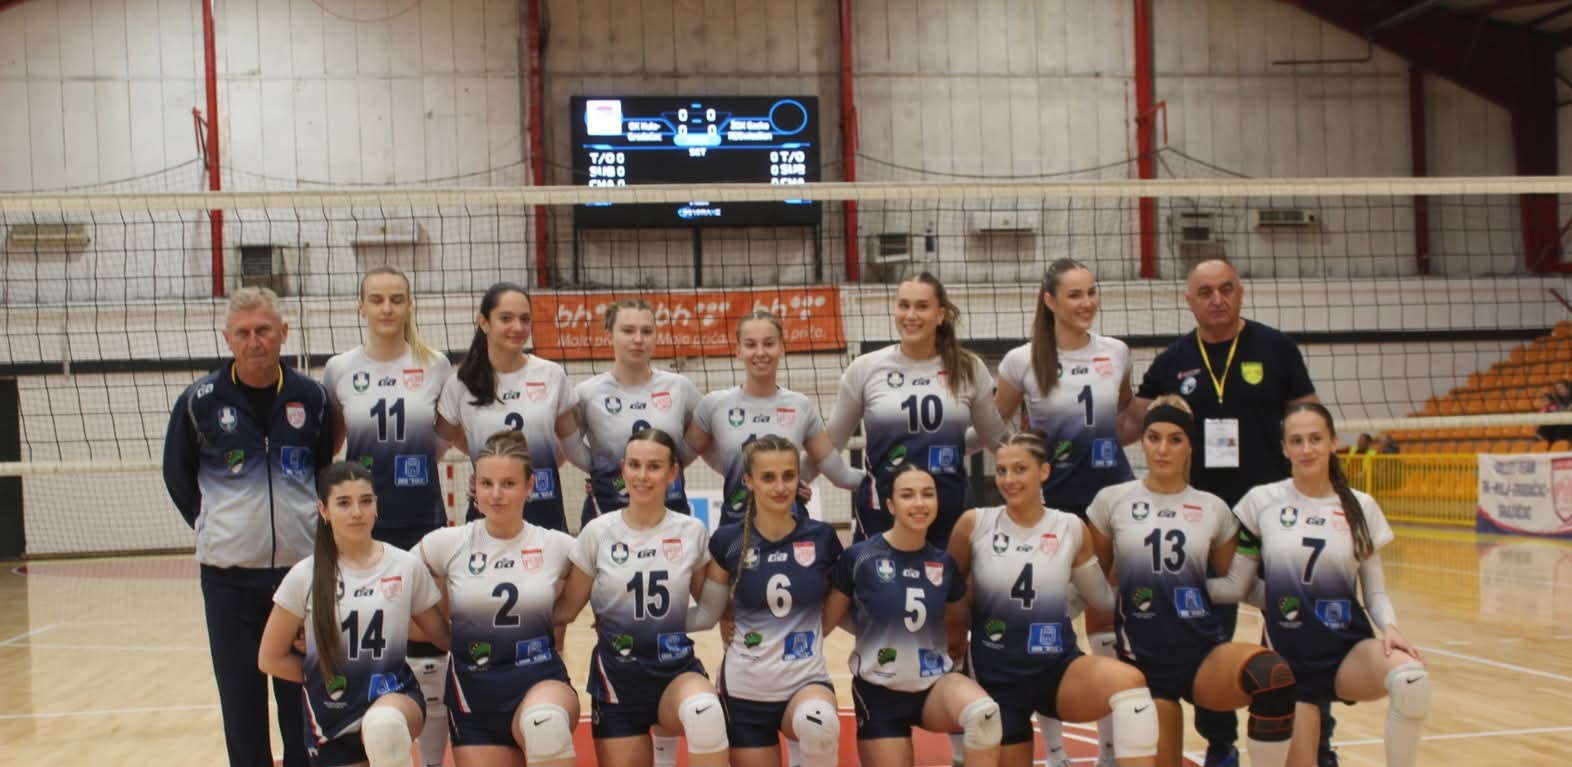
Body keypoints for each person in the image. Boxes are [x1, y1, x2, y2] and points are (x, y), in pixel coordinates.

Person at [1128, 257, 1319, 767]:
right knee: (1209, 633)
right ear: (1189, 300)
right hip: (1205, 521)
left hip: (1275, 514)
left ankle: (1314, 745)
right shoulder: (1172, 361)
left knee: (1298, 628)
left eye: (1226, 289)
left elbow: (1309, 419)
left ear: (1241, 292)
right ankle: (1220, 743)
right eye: (1206, 291)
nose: (1217, 299)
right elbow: (1131, 423)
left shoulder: (1276, 348)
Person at [163, 286, 337, 767]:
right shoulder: (199, 402)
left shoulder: (312, 398)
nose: (254, 341)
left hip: (300, 576)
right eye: (243, 332)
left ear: (284, 332)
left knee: (301, 703)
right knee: (241, 704)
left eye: (264, 330)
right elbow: (178, 476)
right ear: (227, 338)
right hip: (228, 579)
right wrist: (220, 526)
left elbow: (323, 470)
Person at [1213, 403, 1430, 767]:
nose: (1307, 448)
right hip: (1289, 657)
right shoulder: (1261, 501)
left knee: (1411, 678)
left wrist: (1390, 628)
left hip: (1347, 651)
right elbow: (1240, 585)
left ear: (1333, 442)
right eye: (1296, 441)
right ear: (1284, 448)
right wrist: (1280, 598)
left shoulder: (1361, 507)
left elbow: (1375, 591)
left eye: (1315, 439)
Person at [1087, 397, 1296, 767]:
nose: (1162, 449)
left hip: (1203, 653)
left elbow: (1240, 584)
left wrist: (1295, 595)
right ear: (1142, 441)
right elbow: (1093, 581)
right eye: (1154, 437)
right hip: (1144, 664)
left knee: (1272, 677)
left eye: (1175, 439)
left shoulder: (1213, 507)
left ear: (1190, 446)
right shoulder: (1112, 500)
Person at [993, 258, 1137, 766]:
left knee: (1105, 621)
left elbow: (1124, 413)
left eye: (1092, 292)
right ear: (1050, 301)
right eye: (1075, 295)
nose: (1087, 303)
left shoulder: (1116, 352)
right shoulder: (1021, 361)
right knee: (1044, 627)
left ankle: (1109, 754)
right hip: (1050, 505)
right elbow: (994, 424)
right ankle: (1055, 755)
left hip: (1109, 502)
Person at [948, 431, 1158, 767]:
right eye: (1001, 470)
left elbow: (1100, 598)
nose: (1008, 479)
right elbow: (950, 596)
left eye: (1020, 469)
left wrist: (1138, 576)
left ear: (1043, 471)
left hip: (1057, 669)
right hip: (997, 679)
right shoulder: (974, 525)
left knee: (1130, 686)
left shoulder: (1070, 527)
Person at [321, 266, 455, 766]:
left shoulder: (435, 365)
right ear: (360, 305)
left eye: (397, 299)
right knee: (366, 643)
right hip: (362, 523)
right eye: (376, 299)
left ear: (409, 304)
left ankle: (433, 761)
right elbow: (335, 444)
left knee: (429, 647)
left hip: (421, 516)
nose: (387, 308)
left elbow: (443, 432)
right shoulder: (339, 369)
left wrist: (412, 465)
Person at [553, 429, 728, 767]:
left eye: (654, 466)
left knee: (706, 714)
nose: (642, 476)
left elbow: (708, 611)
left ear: (673, 473)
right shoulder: (597, 533)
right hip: (617, 678)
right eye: (634, 465)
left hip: (675, 670)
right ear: (623, 468)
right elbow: (566, 611)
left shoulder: (691, 531)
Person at [258, 461, 449, 767]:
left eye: (365, 501)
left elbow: (442, 636)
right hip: (333, 715)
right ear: (323, 510)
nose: (357, 512)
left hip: (393, 697)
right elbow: (270, 658)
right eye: (344, 503)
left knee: (385, 728)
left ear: (376, 506)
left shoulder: (404, 565)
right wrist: (324, 673)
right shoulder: (304, 576)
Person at [821, 463, 1004, 767]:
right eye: (908, 495)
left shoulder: (944, 564)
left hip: (934, 686)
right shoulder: (860, 558)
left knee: (984, 714)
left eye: (927, 494)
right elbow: (826, 622)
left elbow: (957, 629)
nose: (919, 503)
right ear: (891, 505)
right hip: (879, 692)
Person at [418, 430, 580, 767]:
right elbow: (389, 577)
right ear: (474, 486)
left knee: (545, 725)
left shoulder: (557, 545)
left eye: (508, 484)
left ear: (530, 486)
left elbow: (602, 586)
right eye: (486, 483)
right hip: (473, 699)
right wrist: (442, 635)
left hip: (539, 682)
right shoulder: (446, 543)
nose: (495, 494)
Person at [827, 272, 1011, 547]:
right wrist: (855, 480)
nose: (911, 315)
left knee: (953, 576)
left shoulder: (968, 368)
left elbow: (996, 439)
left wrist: (1031, 478)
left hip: (950, 510)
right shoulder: (865, 368)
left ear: (940, 314)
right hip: (883, 512)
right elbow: (829, 445)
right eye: (904, 305)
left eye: (922, 306)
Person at [695, 435, 845, 767]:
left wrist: (816, 630)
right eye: (768, 477)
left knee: (818, 723)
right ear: (749, 481)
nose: (780, 487)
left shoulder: (821, 537)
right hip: (746, 689)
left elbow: (840, 593)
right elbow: (713, 610)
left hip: (806, 680)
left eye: (788, 476)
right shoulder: (728, 541)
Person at [687, 310, 864, 525]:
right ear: (738, 350)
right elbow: (678, 460)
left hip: (790, 527)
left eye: (769, 343)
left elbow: (840, 475)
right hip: (736, 527)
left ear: (781, 348)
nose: (760, 352)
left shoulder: (800, 406)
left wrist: (890, 481)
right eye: (751, 345)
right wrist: (738, 471)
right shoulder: (714, 405)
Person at [436, 282, 584, 532]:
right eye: (506, 318)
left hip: (544, 508)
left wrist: (611, 477)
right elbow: (437, 446)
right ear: (484, 322)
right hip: (487, 510)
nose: (518, 327)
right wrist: (487, 464)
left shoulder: (551, 374)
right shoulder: (461, 383)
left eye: (525, 319)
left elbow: (572, 449)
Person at [574, 299, 702, 527]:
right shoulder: (587, 392)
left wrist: (668, 465)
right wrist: (600, 469)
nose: (638, 339)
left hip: (669, 510)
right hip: (607, 511)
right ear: (608, 335)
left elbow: (700, 440)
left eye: (647, 331)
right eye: (628, 330)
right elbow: (568, 445)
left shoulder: (680, 387)